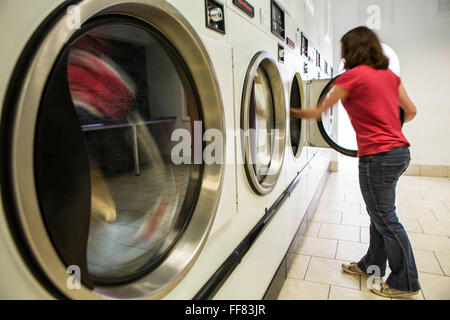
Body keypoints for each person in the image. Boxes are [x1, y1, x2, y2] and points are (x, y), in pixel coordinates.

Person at [291, 26, 420, 298]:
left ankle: (405, 282)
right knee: (379, 214)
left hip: (376, 156)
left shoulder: (350, 78)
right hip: (399, 153)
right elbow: (411, 111)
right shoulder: (389, 76)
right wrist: (390, 128)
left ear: (351, 50)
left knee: (385, 218)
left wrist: (287, 109)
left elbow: (318, 111)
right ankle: (371, 266)